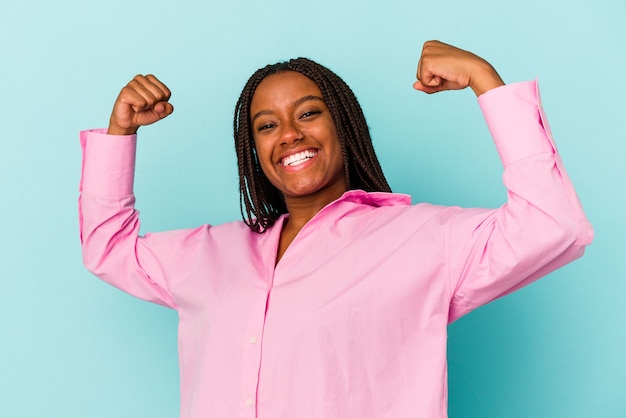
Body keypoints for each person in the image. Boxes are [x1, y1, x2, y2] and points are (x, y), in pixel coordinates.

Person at [79, 41, 593, 417]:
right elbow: (108, 248)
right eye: (266, 124)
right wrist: (120, 131)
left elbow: (552, 225)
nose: (290, 134)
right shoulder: (208, 254)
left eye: (308, 113)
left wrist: (486, 80)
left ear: (342, 125)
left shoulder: (422, 239)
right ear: (253, 152)